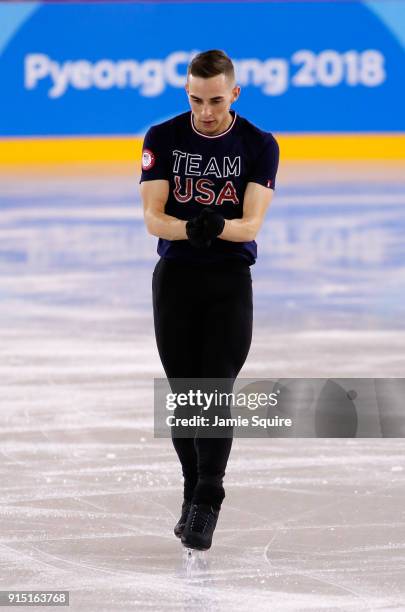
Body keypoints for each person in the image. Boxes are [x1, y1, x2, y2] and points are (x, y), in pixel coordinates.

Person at [139, 49, 279, 551]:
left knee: (214, 393)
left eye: (216, 100)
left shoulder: (259, 144)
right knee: (186, 400)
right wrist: (187, 229)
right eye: (197, 100)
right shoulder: (162, 137)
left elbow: (251, 223)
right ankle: (190, 491)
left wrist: (217, 228)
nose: (206, 111)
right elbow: (153, 217)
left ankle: (208, 499)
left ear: (234, 94)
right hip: (175, 279)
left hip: (228, 281)